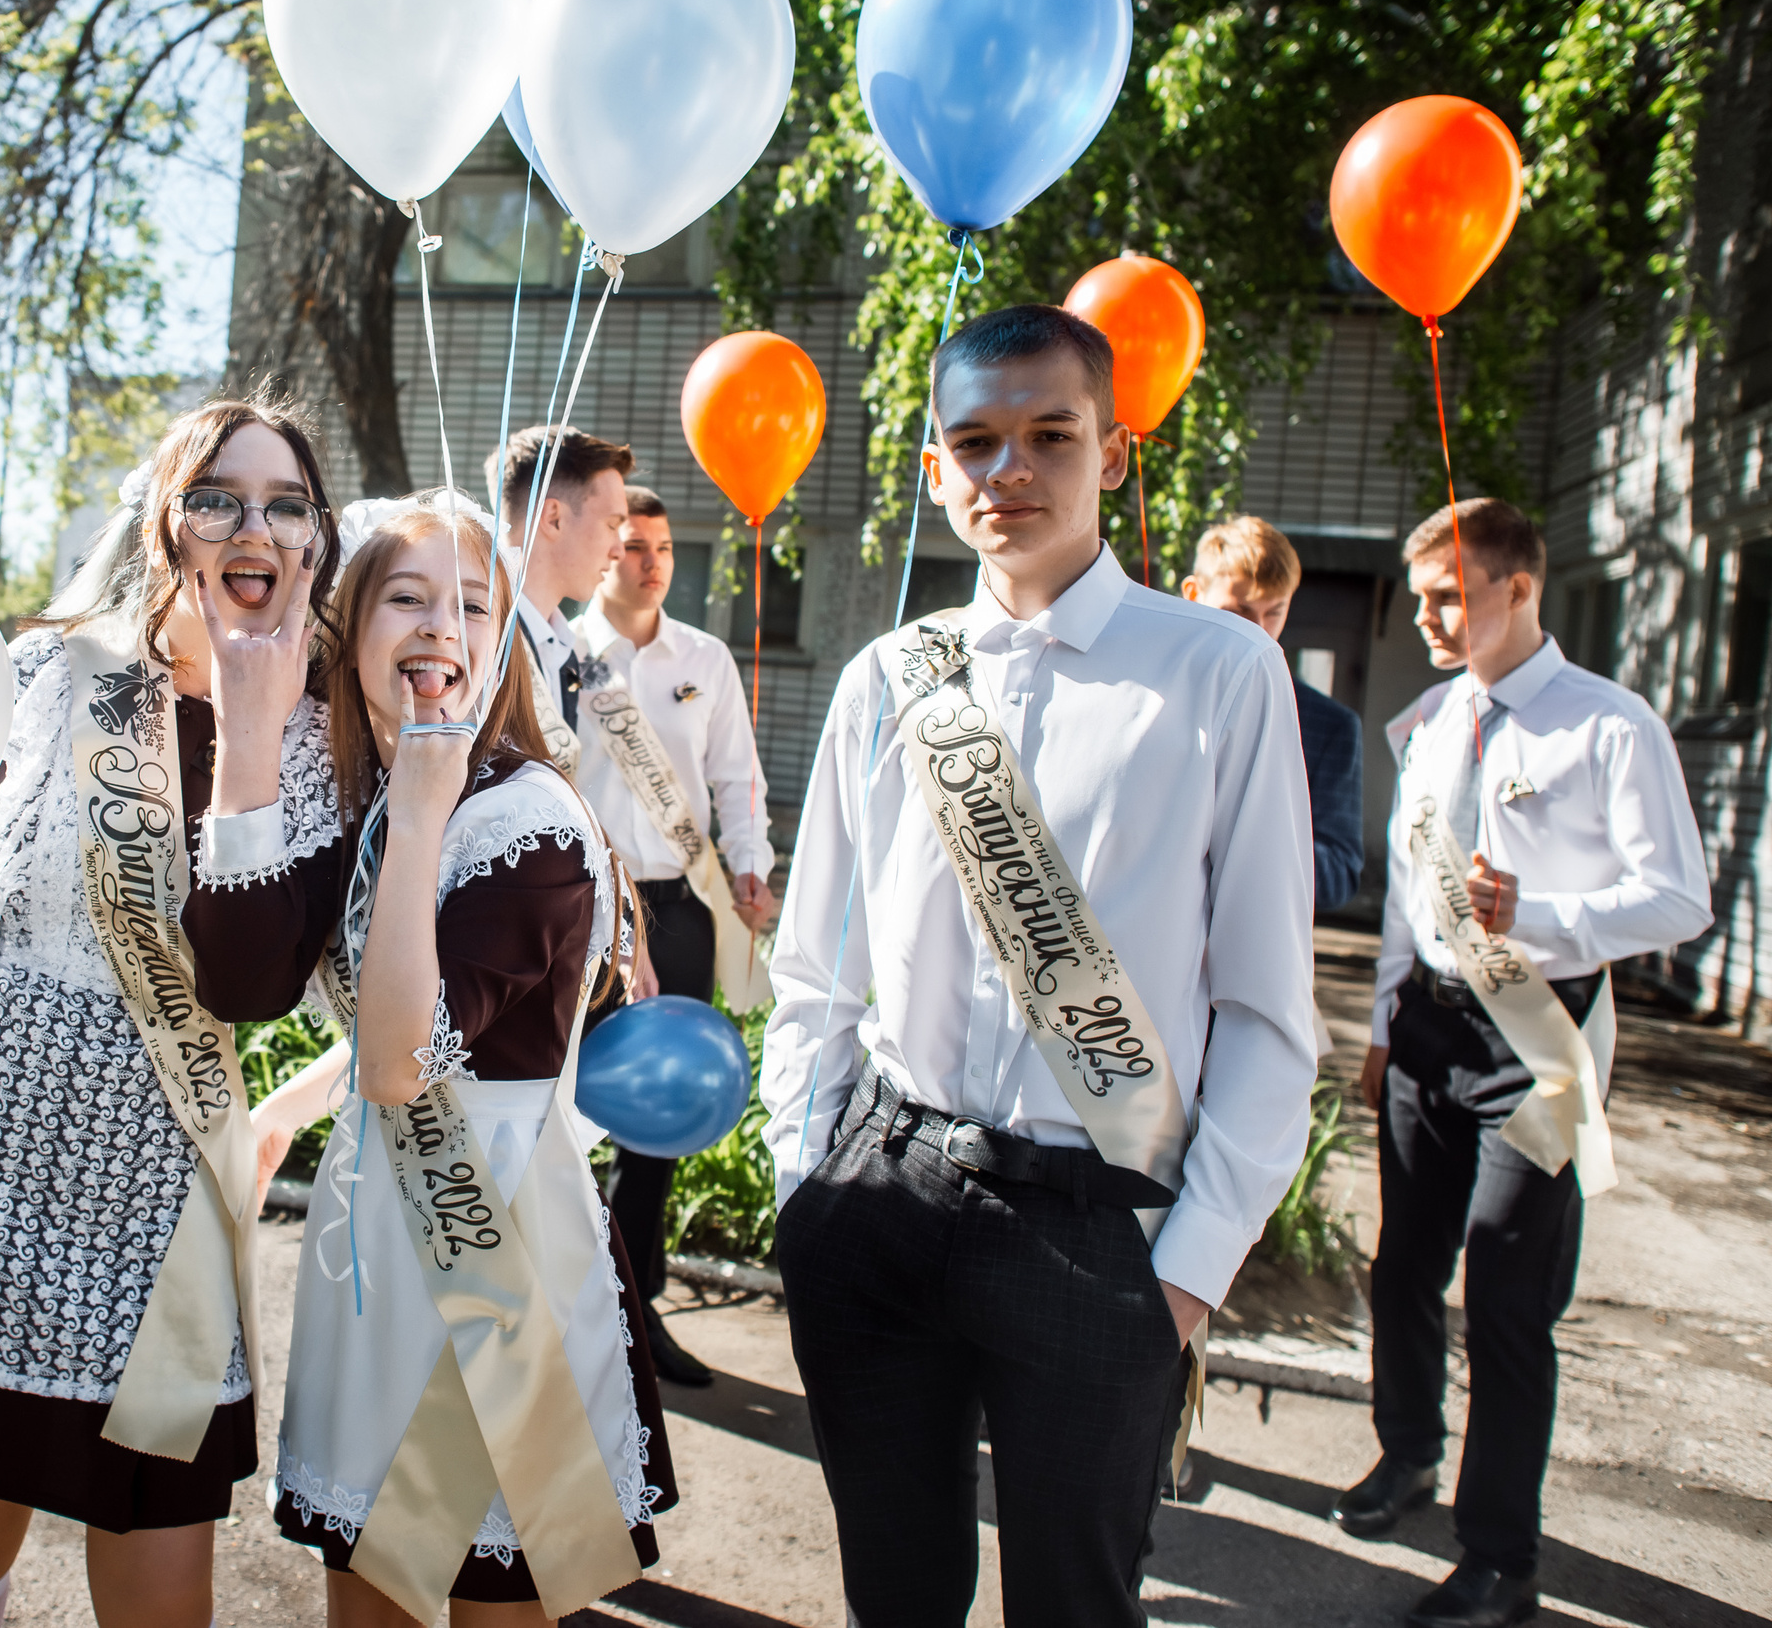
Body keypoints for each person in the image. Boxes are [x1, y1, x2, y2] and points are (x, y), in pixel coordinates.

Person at [760, 305, 1321, 1627]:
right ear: (933, 470)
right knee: (894, 1593)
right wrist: (806, 1183)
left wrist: (1185, 1274)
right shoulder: (890, 679)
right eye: (977, 440)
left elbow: (1265, 1010)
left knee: (1076, 1602)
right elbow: (816, 973)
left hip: (1096, 1226)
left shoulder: (1218, 674)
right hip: (882, 1196)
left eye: (1049, 435)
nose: (1011, 469)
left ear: (1114, 454)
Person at [0, 398, 347, 1628]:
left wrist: (255, 734)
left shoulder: (322, 736)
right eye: (216, 495)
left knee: (153, 1532)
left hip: (162, 1178)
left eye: (284, 503)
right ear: (165, 520)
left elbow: (251, 986)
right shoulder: (51, 677)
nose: (250, 526)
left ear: (313, 542)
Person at [189, 492, 676, 1628]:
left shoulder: (527, 822)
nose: (439, 628)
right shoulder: (380, 801)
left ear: (505, 640)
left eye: (471, 604)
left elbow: (407, 1061)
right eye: (405, 597)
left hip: (494, 1248)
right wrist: (290, 1107)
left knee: (480, 1585)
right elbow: (357, 1017)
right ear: (350, 627)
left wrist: (416, 827)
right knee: (369, 1591)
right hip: (377, 1244)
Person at [1334, 499, 1709, 1628]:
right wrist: (1382, 1025)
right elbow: (1411, 889)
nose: (1433, 617)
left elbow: (1677, 897)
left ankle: (1500, 1555)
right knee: (1402, 1268)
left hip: (1534, 1043)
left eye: (1452, 594)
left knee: (1502, 1296)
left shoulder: (1608, 726)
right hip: (1429, 1029)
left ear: (1518, 588)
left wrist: (1535, 912)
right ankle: (1406, 1453)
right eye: (1424, 597)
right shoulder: (1435, 719)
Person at [573, 486, 779, 1386]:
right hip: (590, 912)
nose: (650, 560)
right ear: (603, 552)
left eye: (661, 546)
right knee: (575, 1111)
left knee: (655, 1128)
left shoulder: (707, 658)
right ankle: (573, 1298)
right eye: (631, 544)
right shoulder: (568, 655)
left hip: (684, 906)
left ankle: (638, 1306)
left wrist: (750, 862)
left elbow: (737, 777)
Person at [1182, 515, 1364, 911]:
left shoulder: (1331, 725)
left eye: (1274, 613)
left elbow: (1339, 875)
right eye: (1242, 611)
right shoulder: (1150, 697)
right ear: (1193, 594)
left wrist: (1239, 838)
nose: (1259, 632)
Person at [483, 424, 631, 794]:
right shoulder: (478, 637)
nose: (619, 550)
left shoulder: (562, 647)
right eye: (612, 525)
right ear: (553, 518)